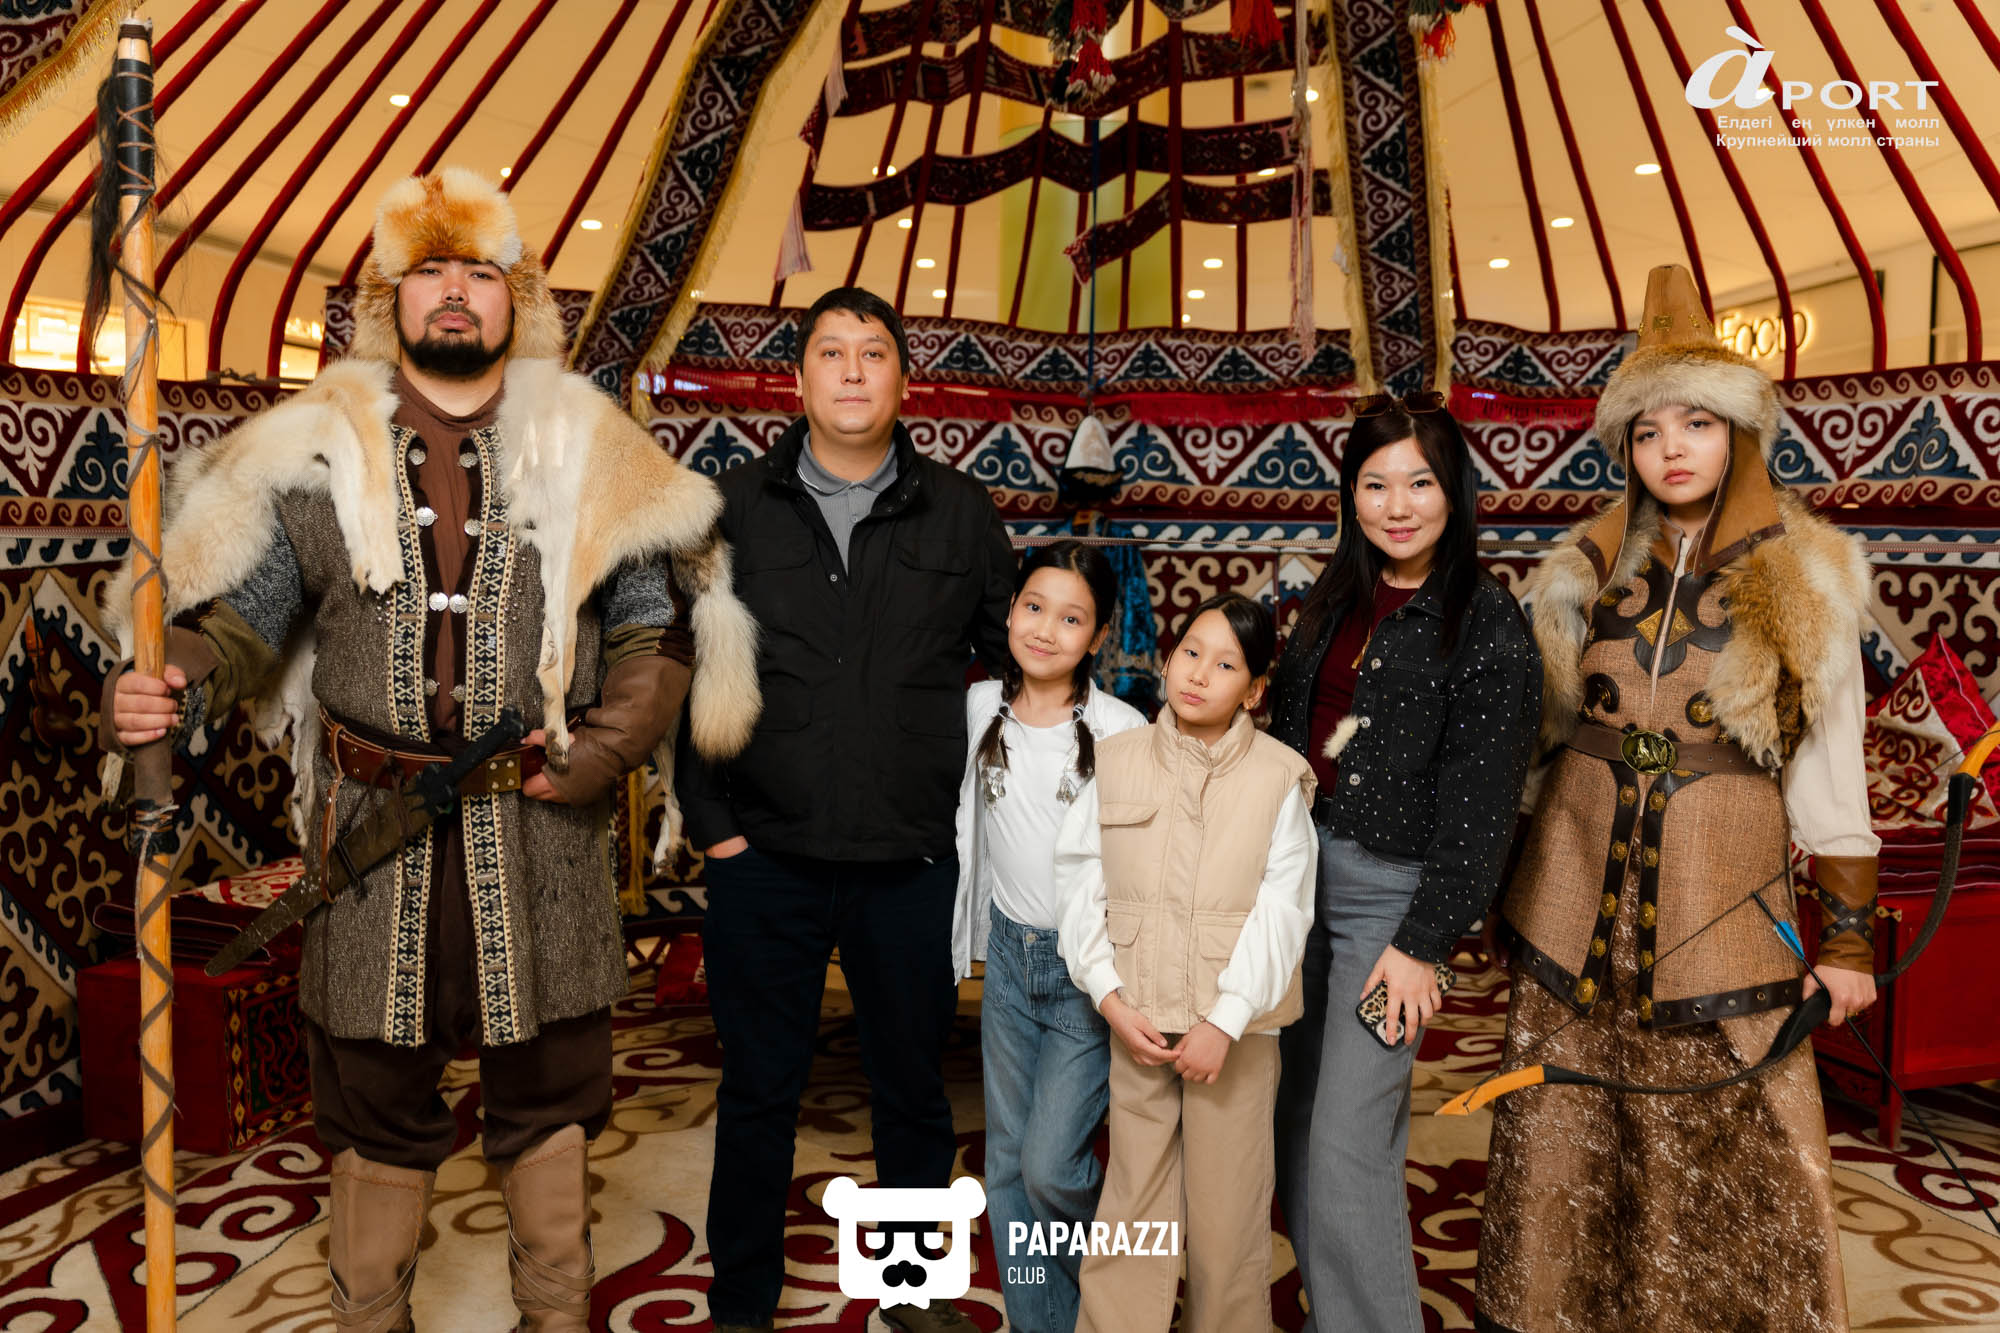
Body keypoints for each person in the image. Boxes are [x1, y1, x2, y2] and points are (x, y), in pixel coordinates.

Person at [101, 168, 760, 1331]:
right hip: (371, 843)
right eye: (428, 272)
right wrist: (172, 677)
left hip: (541, 829)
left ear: (517, 299)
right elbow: (246, 626)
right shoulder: (320, 451)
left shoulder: (588, 445)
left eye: (478, 273)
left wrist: (600, 752)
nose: (453, 292)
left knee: (549, 1104)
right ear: (388, 299)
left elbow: (651, 632)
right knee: (370, 1107)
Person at [1474, 265, 1880, 1332]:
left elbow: (1829, 764)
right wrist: (1504, 883)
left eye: (1696, 422)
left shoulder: (1806, 578)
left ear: (1738, 433)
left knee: (1737, 1148)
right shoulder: (1578, 572)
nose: (1672, 448)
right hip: (1572, 906)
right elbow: (1538, 745)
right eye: (1648, 430)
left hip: (1722, 913)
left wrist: (1845, 939)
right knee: (1565, 1138)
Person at [674, 287, 1013, 1333]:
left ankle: (912, 1291)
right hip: (762, 853)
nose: (853, 370)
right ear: (799, 377)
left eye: (874, 352)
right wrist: (714, 828)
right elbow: (690, 667)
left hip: (908, 856)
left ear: (904, 379)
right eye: (831, 352)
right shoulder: (730, 507)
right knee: (758, 1090)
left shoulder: (961, 511)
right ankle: (741, 1301)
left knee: (911, 1088)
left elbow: (1017, 662)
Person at [1264, 394, 1542, 1331]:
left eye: (1419, 483)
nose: (1397, 505)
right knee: (1292, 1122)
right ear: (1351, 493)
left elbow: (1484, 804)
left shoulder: (1488, 622)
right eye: (1375, 483)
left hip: (1392, 906)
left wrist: (1425, 941)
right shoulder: (1331, 597)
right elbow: (1290, 734)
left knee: (1348, 1142)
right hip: (1293, 882)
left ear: (1454, 491)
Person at [1054, 592, 1318, 1333]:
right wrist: (1109, 996)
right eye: (1191, 653)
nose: (1200, 673)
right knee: (1130, 1205)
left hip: (1236, 1035)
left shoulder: (1278, 778)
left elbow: (1283, 911)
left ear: (1255, 690)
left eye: (1226, 665)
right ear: (1168, 660)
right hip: (1135, 1018)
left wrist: (1226, 1021)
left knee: (1228, 1215)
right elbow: (1078, 882)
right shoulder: (1117, 761)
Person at [951, 539, 1146, 1332]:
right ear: (1009, 612)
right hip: (1008, 958)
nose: (1045, 628)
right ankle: (1045, 1323)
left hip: (1083, 972)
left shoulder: (1122, 728)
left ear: (1097, 636)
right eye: (1033, 606)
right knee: (1005, 1162)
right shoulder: (978, 707)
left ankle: (1123, 1281)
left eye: (1071, 618)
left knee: (1051, 1165)